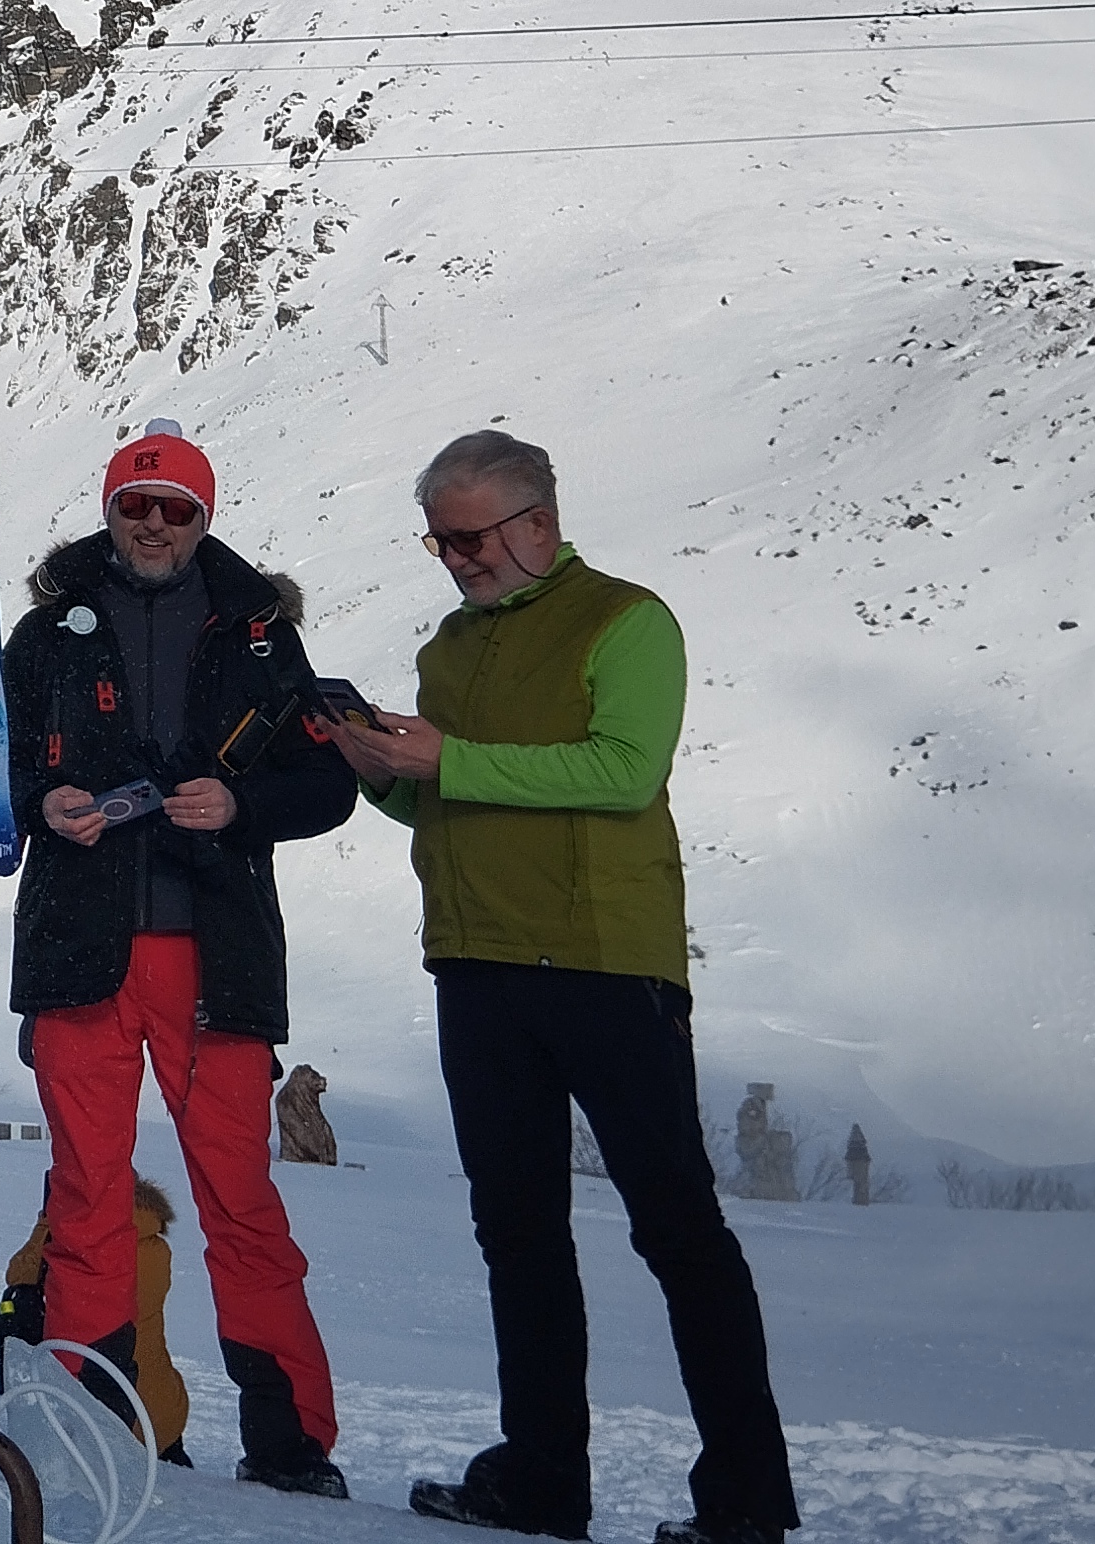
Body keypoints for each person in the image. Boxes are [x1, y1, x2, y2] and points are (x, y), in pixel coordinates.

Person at [333, 431, 798, 1544]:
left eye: (471, 536)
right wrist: (380, 776)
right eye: (440, 540)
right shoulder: (448, 648)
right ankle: (544, 1478)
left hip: (602, 964)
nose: (455, 559)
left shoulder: (628, 620)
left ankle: (746, 1503)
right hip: (478, 963)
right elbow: (459, 797)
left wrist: (443, 762)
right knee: (518, 1232)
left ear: (539, 519)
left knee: (678, 1230)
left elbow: (623, 768)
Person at [4, 423, 353, 1497]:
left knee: (240, 1199)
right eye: (136, 504)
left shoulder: (260, 636)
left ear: (207, 517)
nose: (155, 524)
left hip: (215, 958)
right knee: (86, 1192)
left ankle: (291, 1446)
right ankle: (90, 1424)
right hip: (82, 954)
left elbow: (329, 785)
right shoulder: (42, 635)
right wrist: (41, 802)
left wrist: (243, 800)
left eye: (177, 507)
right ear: (109, 509)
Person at [0, 1172, 193, 1462]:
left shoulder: (82, 1243)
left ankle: (41, 1431)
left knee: (0, 1331)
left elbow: (19, 1275)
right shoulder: (155, 1247)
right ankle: (171, 1455)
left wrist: (48, 1222)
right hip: (164, 1410)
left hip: (117, 1420)